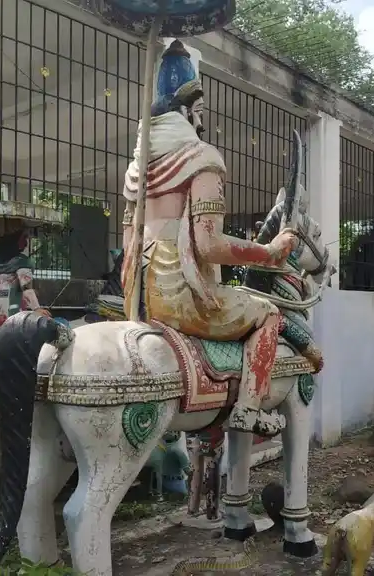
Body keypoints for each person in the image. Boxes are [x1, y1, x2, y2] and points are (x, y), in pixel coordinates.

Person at [121, 40, 297, 437]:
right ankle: (249, 409)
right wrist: (269, 252)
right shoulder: (202, 159)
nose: (201, 122)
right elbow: (209, 245)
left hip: (139, 297)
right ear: (188, 111)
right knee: (268, 314)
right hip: (178, 294)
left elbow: (128, 243)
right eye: (199, 112)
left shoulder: (136, 172)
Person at [0, 218, 50, 330]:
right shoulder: (22, 262)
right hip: (12, 311)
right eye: (24, 238)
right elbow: (27, 289)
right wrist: (37, 309)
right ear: (16, 243)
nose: (26, 241)